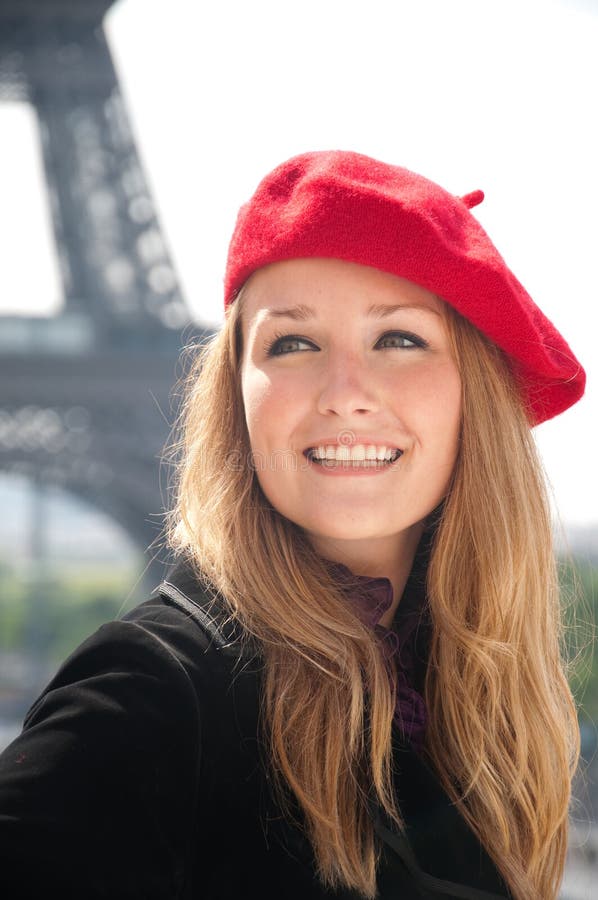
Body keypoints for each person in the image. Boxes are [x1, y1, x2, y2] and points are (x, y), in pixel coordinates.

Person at [0, 151, 586, 900]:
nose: (346, 394)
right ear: (235, 395)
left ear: (477, 392)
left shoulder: (462, 697)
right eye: (294, 343)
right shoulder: (153, 693)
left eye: (399, 340)